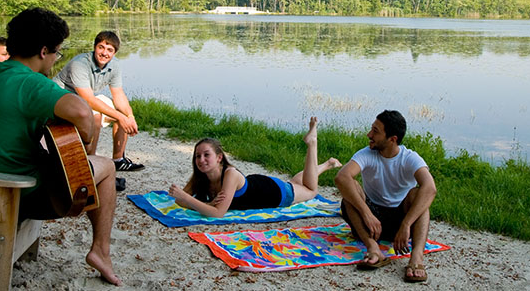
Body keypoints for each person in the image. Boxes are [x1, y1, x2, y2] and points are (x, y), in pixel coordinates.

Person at [0, 8, 122, 286]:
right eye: (57, 53)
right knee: (106, 167)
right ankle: (100, 252)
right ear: (43, 51)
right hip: (16, 193)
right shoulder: (32, 83)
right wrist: (83, 141)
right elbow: (84, 114)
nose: (56, 60)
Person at [334, 110, 437, 283]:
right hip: (370, 223)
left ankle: (416, 258)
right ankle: (373, 248)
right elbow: (341, 177)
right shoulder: (366, 154)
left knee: (418, 196)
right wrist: (367, 214)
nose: (369, 135)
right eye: (371, 129)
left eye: (376, 131)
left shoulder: (410, 158)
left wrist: (406, 224)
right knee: (350, 195)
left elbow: (430, 188)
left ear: (392, 139)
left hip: (401, 222)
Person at [168, 117, 342, 217]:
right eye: (197, 156)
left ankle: (312, 143)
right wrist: (204, 202)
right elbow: (179, 200)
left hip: (276, 193)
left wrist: (191, 200)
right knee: (297, 183)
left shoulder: (230, 174)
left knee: (310, 190)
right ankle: (327, 164)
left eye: (207, 155)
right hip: (260, 183)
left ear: (219, 157)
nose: (201, 160)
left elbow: (217, 213)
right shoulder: (200, 176)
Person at [53, 31, 143, 173]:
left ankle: (118, 161)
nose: (104, 53)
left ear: (114, 53)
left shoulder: (115, 66)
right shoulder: (79, 64)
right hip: (61, 100)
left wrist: (129, 116)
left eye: (109, 50)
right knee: (95, 115)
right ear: (94, 47)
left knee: (121, 112)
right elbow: (88, 99)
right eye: (101, 47)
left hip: (80, 99)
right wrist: (120, 117)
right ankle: (90, 162)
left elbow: (118, 94)